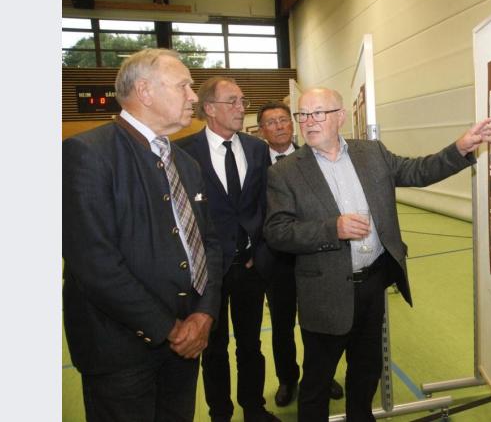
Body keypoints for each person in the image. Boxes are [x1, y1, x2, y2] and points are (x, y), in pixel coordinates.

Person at [263, 87, 491, 421]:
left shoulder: (371, 153)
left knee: (366, 369)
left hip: (373, 284)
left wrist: (460, 148)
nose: (308, 122)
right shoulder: (285, 171)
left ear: (340, 117)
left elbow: (418, 171)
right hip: (325, 292)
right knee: (317, 381)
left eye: (318, 113)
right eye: (303, 115)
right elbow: (277, 231)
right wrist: (334, 228)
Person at [62, 48, 224, 422]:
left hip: (185, 343)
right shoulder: (87, 154)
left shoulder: (185, 162)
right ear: (145, 91)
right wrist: (169, 329)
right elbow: (94, 263)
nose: (194, 96)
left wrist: (203, 314)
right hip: (120, 350)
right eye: (184, 85)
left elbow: (208, 244)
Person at [177, 78, 280, 422]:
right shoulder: (182, 152)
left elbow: (266, 204)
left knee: (250, 345)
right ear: (209, 108)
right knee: (213, 348)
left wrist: (261, 251)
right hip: (207, 274)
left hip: (250, 267)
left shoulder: (256, 148)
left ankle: (254, 408)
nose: (242, 108)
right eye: (233, 101)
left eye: (242, 100)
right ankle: (220, 412)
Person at [257, 100, 345, 407]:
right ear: (261, 130)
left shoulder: (316, 156)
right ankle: (287, 379)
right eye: (271, 122)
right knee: (282, 325)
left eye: (283, 120)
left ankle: (322, 376)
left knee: (320, 323)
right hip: (277, 261)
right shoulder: (257, 165)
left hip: (318, 258)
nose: (279, 126)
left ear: (292, 124)